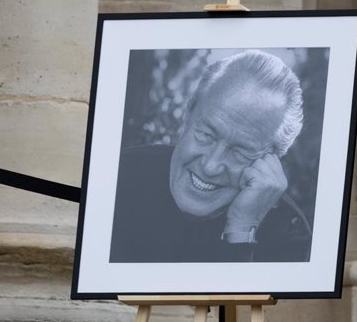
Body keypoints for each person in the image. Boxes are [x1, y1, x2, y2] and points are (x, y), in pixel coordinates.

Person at [110, 50, 312, 263]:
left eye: (240, 152)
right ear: (187, 116)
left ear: (272, 160)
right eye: (206, 135)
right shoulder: (124, 174)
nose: (211, 166)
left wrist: (242, 227)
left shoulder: (288, 235)